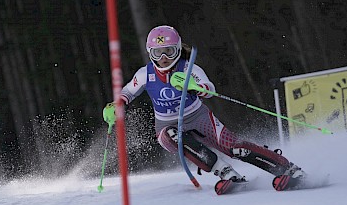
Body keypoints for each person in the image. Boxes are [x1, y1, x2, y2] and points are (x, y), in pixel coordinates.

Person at [119, 25, 306, 191]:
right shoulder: (145, 74)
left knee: (234, 148)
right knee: (172, 135)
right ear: (150, 53)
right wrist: (115, 105)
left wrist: (193, 86)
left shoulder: (188, 68)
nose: (164, 58)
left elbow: (209, 89)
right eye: (158, 53)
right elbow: (128, 91)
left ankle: (287, 168)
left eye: (169, 51)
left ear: (177, 50)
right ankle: (224, 171)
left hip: (198, 117)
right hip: (166, 126)